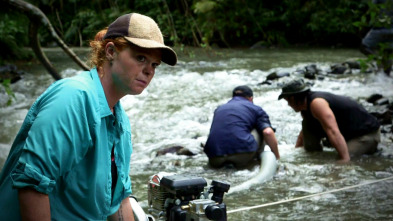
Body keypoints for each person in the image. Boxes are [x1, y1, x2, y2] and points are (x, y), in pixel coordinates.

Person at [0, 13, 177, 220]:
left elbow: (119, 199)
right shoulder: (72, 98)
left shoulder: (120, 122)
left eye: (154, 64)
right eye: (140, 58)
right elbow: (32, 185)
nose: (149, 71)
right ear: (110, 51)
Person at [278, 79, 381, 163]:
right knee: (307, 123)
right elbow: (305, 130)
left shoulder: (317, 103)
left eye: (288, 101)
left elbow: (332, 131)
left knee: (341, 162)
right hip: (345, 132)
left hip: (365, 135)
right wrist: (298, 151)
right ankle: (315, 153)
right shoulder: (304, 107)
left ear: (292, 98)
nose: (288, 105)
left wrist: (343, 160)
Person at [204, 85, 280, 169]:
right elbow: (268, 132)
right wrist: (277, 159)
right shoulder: (255, 109)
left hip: (214, 157)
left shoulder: (219, 109)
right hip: (242, 155)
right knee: (260, 128)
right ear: (251, 99)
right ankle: (255, 162)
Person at [360, 0, 393, 75]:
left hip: (380, 29)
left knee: (363, 46)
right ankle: (386, 78)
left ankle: (378, 60)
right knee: (387, 54)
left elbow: (372, 9)